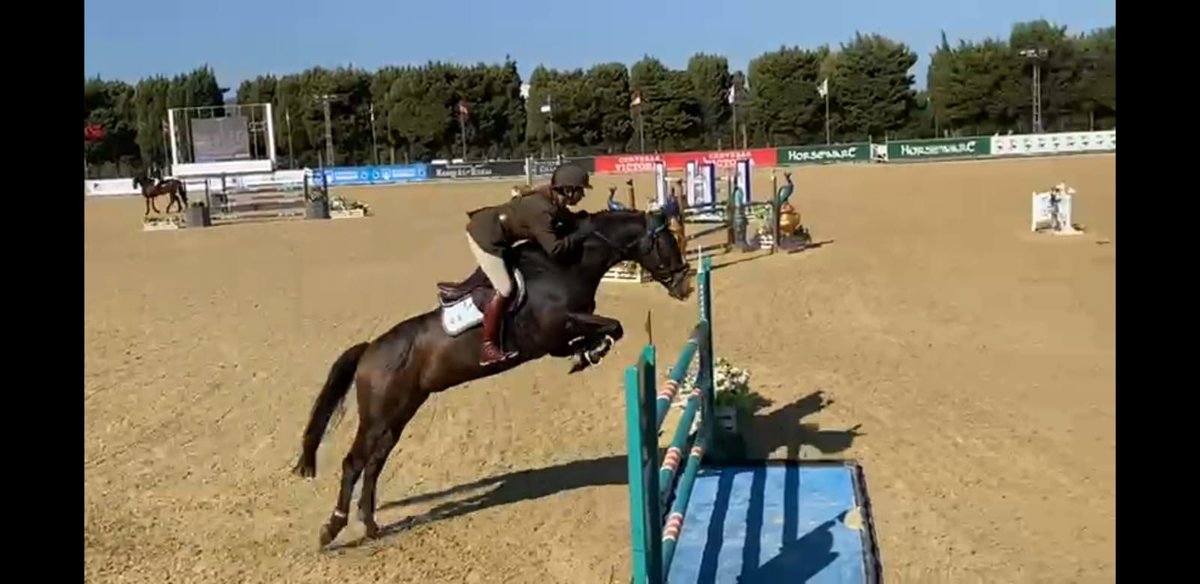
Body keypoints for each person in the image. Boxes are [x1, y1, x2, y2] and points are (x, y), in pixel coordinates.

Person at [461, 162, 593, 366]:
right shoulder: (542, 210)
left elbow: (566, 218)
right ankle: (487, 347)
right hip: (485, 237)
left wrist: (582, 220)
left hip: (498, 233)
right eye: (580, 191)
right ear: (568, 190)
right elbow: (555, 249)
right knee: (505, 288)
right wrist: (579, 235)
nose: (582, 196)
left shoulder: (551, 198)